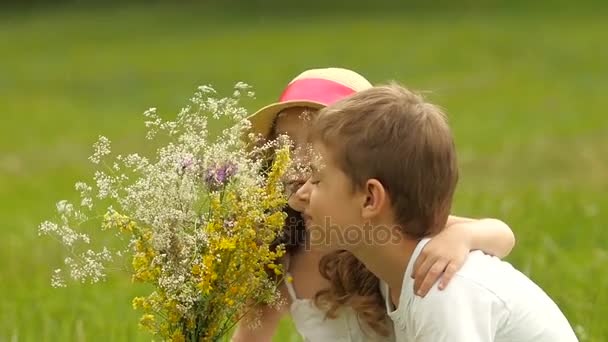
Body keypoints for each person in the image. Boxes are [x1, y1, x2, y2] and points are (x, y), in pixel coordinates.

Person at [232, 68, 516, 341]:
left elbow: (501, 235)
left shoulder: (383, 226)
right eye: (288, 146)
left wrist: (461, 237)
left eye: (314, 146)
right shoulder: (282, 251)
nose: (298, 162)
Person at [293, 83, 577, 341]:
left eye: (317, 180)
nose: (299, 197)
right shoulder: (399, 273)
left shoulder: (440, 289)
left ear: (370, 199)